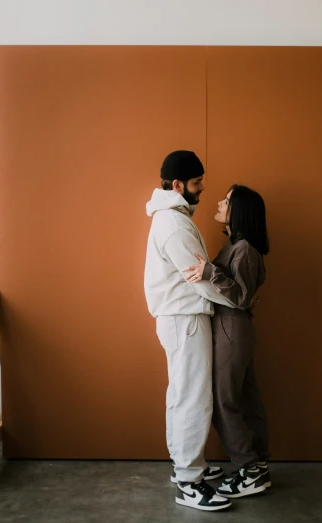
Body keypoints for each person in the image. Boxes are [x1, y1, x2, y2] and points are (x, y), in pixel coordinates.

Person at [144, 150, 236, 512]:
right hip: (184, 318)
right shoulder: (173, 224)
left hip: (181, 317)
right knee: (193, 395)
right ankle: (188, 480)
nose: (201, 189)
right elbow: (199, 280)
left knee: (182, 391)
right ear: (178, 184)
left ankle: (183, 466)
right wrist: (238, 301)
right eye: (197, 183)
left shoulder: (173, 218)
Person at [182, 184, 271, 499]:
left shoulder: (245, 248)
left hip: (231, 329)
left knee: (223, 402)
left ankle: (249, 469)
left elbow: (243, 297)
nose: (220, 202)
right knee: (244, 399)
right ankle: (256, 465)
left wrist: (209, 272)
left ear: (241, 210)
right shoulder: (238, 246)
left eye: (228, 200)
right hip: (234, 330)